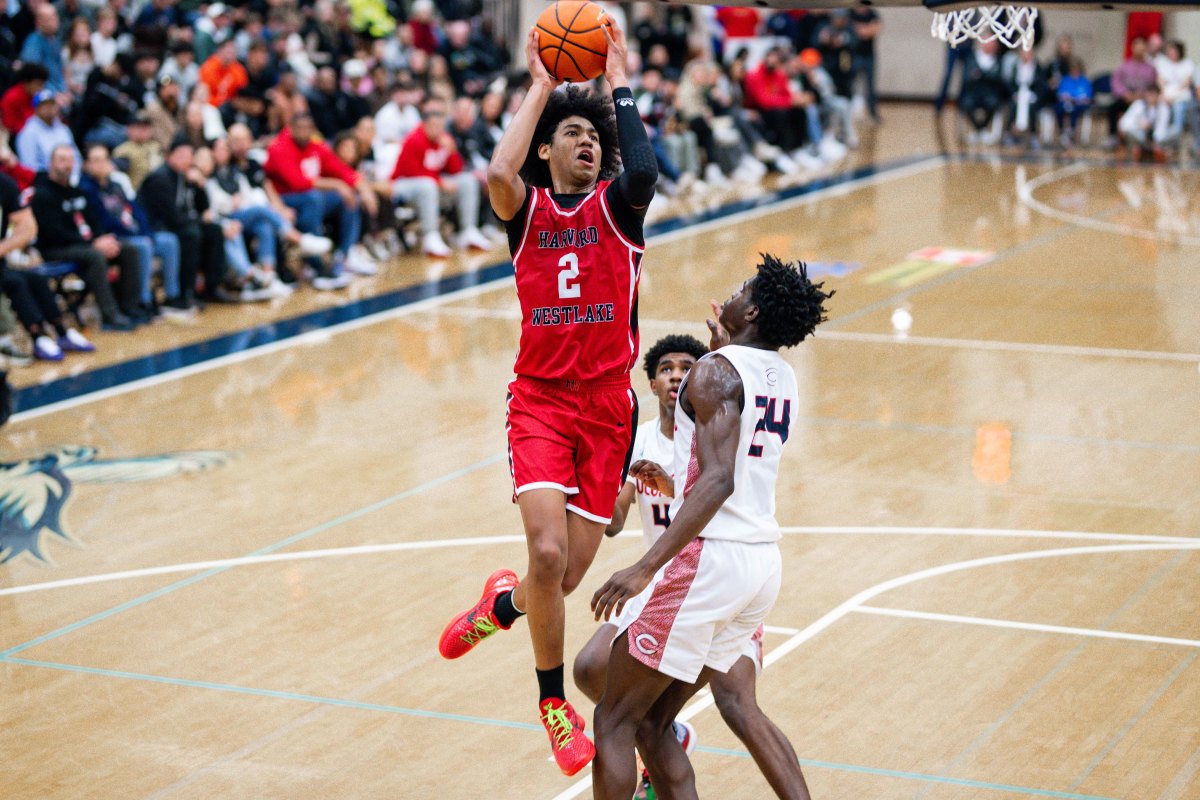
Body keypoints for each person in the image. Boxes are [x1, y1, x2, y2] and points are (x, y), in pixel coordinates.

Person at [436, 18, 657, 777]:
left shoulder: (619, 210)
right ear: (549, 149)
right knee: (548, 550)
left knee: (556, 584)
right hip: (539, 399)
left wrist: (617, 76)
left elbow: (645, 170)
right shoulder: (525, 210)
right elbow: (499, 174)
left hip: (605, 408)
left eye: (592, 136)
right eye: (570, 133)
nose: (586, 143)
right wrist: (540, 86)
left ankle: (502, 607)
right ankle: (552, 702)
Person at [589, 255, 832, 800]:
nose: (734, 287)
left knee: (613, 721)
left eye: (744, 286)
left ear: (753, 308)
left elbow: (718, 479)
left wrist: (645, 566)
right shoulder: (781, 375)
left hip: (710, 560)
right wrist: (725, 346)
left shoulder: (716, 371)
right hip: (760, 566)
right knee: (654, 723)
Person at [29, 145, 142, 330]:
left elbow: (94, 220)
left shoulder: (77, 191)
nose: (67, 165)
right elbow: (53, 233)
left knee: (128, 249)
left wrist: (102, 239)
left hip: (83, 244)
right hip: (55, 248)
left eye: (70, 160)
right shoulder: (42, 194)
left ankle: (130, 306)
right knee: (95, 256)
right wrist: (93, 244)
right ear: (51, 164)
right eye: (62, 160)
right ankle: (109, 314)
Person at [263, 112, 379, 288]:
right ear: (291, 128)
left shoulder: (315, 146)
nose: (303, 133)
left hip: (311, 199)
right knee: (315, 198)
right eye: (299, 129)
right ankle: (317, 265)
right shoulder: (278, 148)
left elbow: (338, 168)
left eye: (307, 129)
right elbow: (298, 183)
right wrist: (336, 184)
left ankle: (344, 256)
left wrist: (361, 186)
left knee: (348, 197)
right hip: (286, 200)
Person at [79, 142, 183, 319]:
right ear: (87, 165)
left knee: (169, 241)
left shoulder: (116, 186)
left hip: (135, 233)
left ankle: (172, 296)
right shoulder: (86, 190)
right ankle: (144, 300)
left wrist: (147, 232)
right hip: (116, 237)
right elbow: (104, 222)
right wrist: (139, 236)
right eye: (96, 160)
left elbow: (136, 211)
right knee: (142, 246)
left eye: (104, 159)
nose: (101, 164)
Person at [0, 170, 95, 361]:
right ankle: (37, 336)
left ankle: (61, 331)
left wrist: (3, 247)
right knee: (15, 282)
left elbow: (28, 228)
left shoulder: (5, 184)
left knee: (35, 278)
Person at [389, 96, 493, 254]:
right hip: (402, 185)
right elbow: (412, 172)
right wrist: (440, 182)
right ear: (425, 125)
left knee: (467, 180)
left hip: (430, 184)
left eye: (441, 126)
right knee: (427, 185)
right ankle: (430, 236)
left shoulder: (443, 140)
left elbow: (455, 170)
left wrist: (451, 151)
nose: (438, 130)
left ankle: (468, 230)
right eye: (434, 126)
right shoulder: (414, 140)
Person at [138, 137, 225, 308]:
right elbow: (173, 218)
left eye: (189, 156)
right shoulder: (159, 178)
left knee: (213, 230)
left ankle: (212, 287)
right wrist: (200, 220)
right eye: (182, 155)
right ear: (170, 156)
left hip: (179, 224)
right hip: (157, 227)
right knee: (192, 234)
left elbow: (203, 209)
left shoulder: (184, 176)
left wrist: (200, 186)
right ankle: (186, 291)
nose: (187, 160)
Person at [15, 92, 81, 180]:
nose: (49, 108)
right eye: (45, 105)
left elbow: (76, 157)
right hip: (44, 181)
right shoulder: (28, 132)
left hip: (70, 179)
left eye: (52, 104)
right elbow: (28, 166)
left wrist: (74, 178)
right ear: (36, 109)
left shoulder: (63, 129)